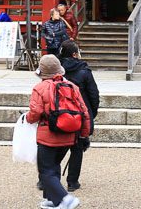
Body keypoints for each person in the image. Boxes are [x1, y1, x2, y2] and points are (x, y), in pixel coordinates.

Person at [27, 54, 90, 209]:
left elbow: (35, 112)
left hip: (48, 135)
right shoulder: (72, 87)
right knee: (54, 165)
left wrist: (27, 119)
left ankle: (65, 199)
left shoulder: (39, 88)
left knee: (45, 170)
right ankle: (52, 199)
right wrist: (84, 133)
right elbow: (84, 111)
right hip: (69, 135)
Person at [59, 40, 100, 193]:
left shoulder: (56, 71)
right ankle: (72, 181)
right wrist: (91, 112)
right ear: (75, 54)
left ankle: (48, 179)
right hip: (79, 115)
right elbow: (93, 95)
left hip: (59, 114)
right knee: (77, 148)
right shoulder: (84, 71)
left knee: (56, 148)